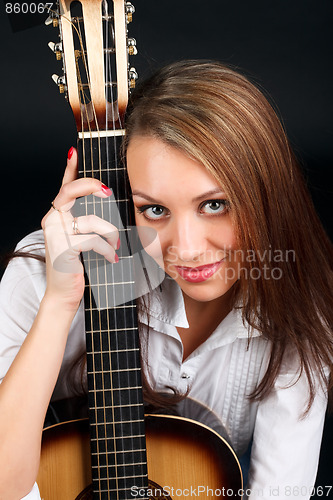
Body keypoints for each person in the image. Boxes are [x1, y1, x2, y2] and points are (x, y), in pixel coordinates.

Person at [0, 60, 332, 500]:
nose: (188, 248)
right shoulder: (40, 278)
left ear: (267, 195)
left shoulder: (300, 314)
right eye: (154, 209)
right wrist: (61, 303)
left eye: (215, 205)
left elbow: (280, 491)